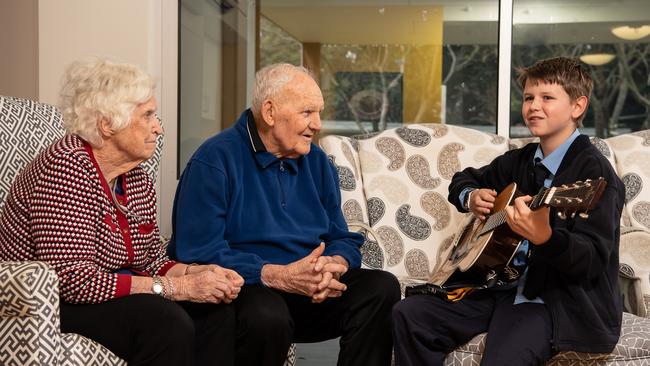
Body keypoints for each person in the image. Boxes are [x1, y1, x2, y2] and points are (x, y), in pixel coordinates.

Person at [0, 58, 243, 366]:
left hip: (110, 293)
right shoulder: (66, 167)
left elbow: (151, 258)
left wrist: (198, 274)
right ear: (108, 123)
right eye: (148, 115)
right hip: (53, 303)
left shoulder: (136, 177)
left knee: (217, 312)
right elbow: (74, 280)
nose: (160, 127)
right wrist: (176, 287)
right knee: (164, 322)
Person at [392, 57, 625, 365]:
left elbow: (593, 260)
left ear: (577, 107)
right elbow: (464, 180)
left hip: (552, 301)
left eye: (547, 98)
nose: (533, 106)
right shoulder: (521, 160)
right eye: (529, 97)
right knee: (410, 315)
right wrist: (471, 196)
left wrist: (546, 238)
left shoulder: (595, 175)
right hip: (497, 286)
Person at [169, 63, 401, 366]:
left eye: (319, 112)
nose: (317, 124)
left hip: (309, 290)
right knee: (267, 315)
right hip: (248, 287)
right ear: (269, 112)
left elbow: (340, 235)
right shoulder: (215, 159)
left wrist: (334, 264)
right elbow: (196, 251)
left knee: (381, 288)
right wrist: (275, 275)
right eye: (307, 112)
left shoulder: (317, 162)